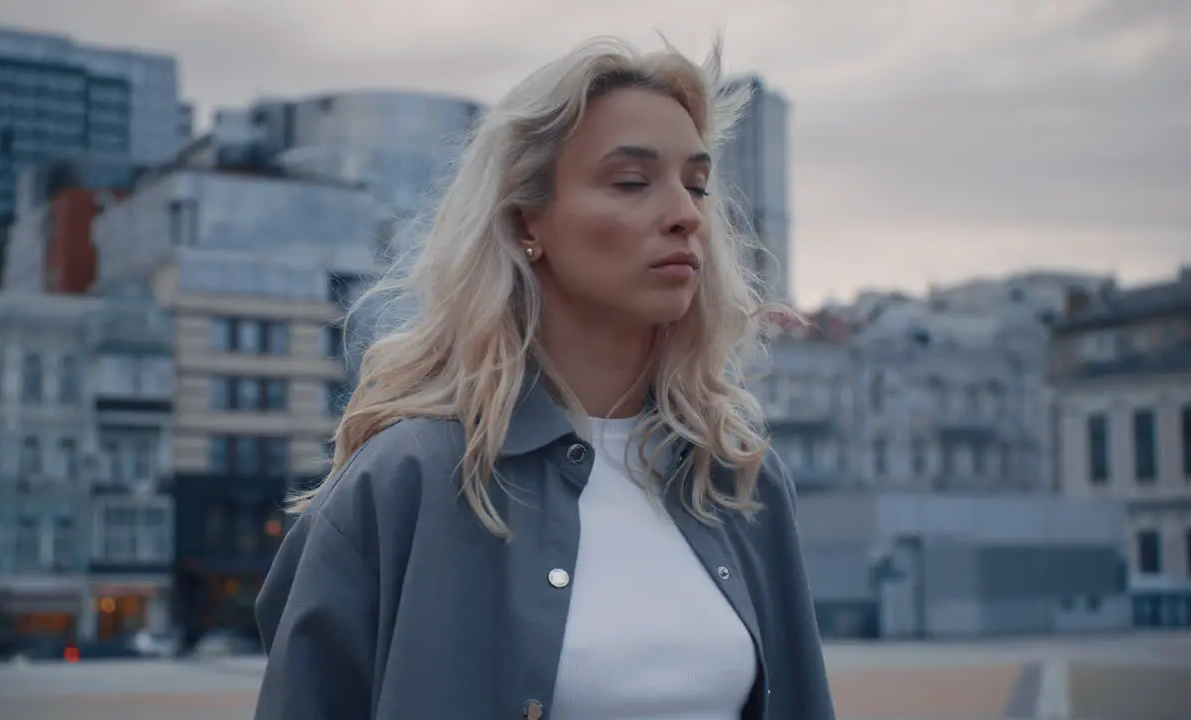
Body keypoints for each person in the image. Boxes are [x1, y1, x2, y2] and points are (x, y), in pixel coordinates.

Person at [254, 35, 835, 720]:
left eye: (698, 185)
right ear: (528, 219)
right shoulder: (405, 481)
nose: (685, 214)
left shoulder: (740, 481)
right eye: (632, 181)